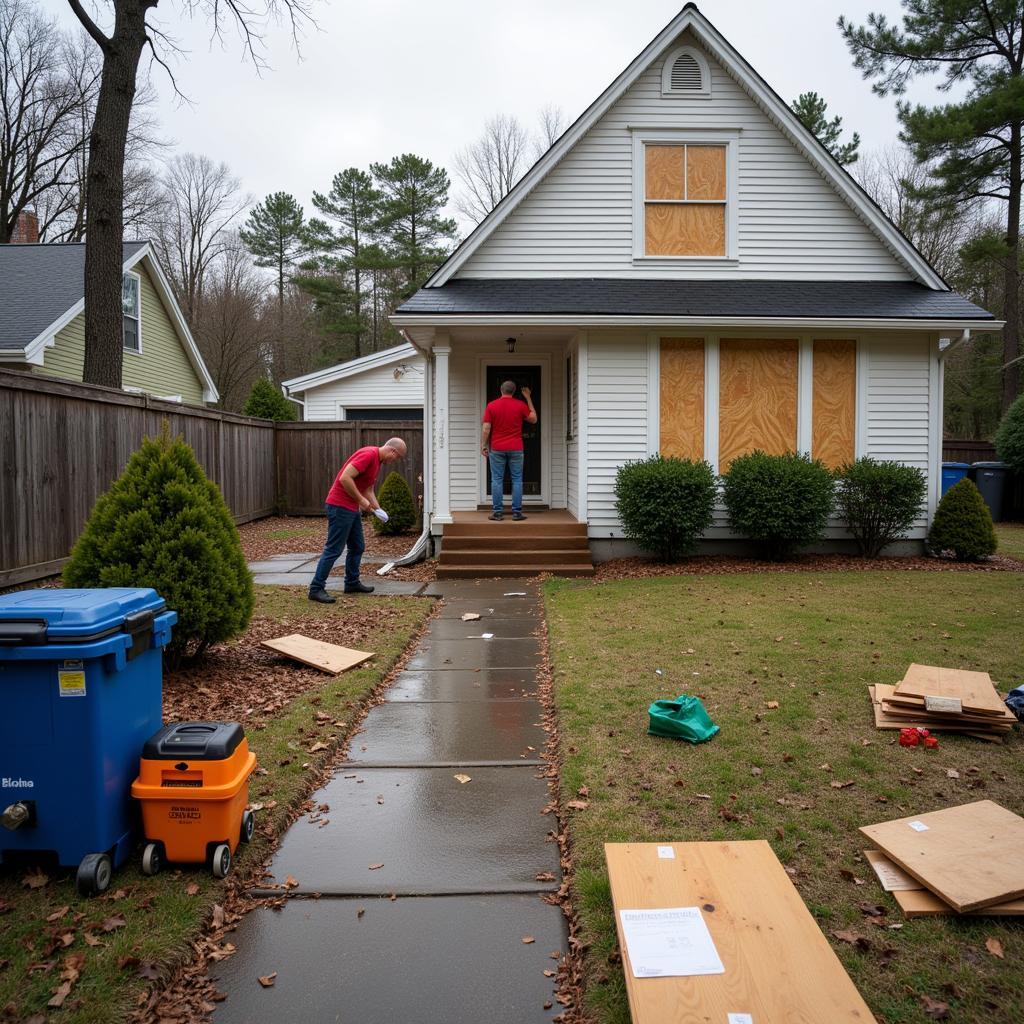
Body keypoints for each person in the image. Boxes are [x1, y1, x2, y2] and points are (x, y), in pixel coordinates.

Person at [308, 437, 407, 602]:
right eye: (397, 457)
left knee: (357, 546)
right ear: (392, 451)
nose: (395, 461)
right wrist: (361, 502)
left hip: (351, 508)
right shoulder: (368, 454)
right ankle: (316, 588)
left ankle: (352, 583)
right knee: (333, 550)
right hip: (339, 506)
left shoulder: (377, 462)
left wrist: (378, 509)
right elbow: (345, 478)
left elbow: (368, 489)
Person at [480, 380, 537, 521]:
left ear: (501, 390)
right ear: (514, 391)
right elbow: (534, 419)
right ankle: (517, 513)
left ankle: (498, 513)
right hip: (516, 448)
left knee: (497, 480)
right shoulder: (520, 405)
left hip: (497, 448)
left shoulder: (491, 406)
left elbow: (486, 428)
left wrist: (483, 445)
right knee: (517, 479)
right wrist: (528, 397)